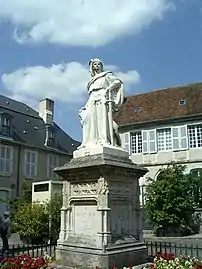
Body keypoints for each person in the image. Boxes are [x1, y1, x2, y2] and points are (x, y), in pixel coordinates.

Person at [78, 58, 124, 149]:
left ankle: (103, 140)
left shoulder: (106, 75)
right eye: (95, 64)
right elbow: (91, 94)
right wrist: (85, 106)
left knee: (102, 119)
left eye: (99, 64)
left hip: (102, 96)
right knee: (88, 119)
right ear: (92, 66)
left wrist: (108, 88)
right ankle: (89, 141)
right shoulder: (91, 81)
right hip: (92, 99)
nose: (97, 66)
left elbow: (117, 82)